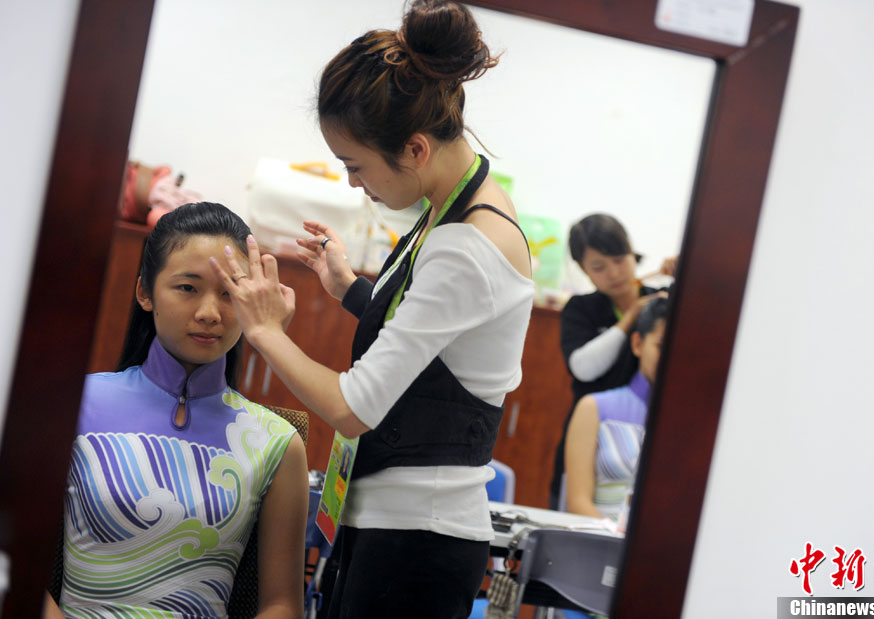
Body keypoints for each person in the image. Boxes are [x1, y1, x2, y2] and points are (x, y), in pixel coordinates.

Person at [208, 2, 534, 617]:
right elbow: (437, 342)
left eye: (355, 166)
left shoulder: (466, 242)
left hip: (417, 539)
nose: (355, 184)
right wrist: (351, 290)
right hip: (400, 527)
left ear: (414, 148)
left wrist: (265, 331)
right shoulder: (456, 208)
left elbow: (353, 408)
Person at [44, 202, 309, 618]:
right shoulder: (71, 404)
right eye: (188, 288)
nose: (209, 313)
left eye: (229, 293)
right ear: (145, 293)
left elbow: (282, 605)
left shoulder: (277, 443)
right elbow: (12, 556)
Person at [548, 213, 670, 508]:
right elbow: (582, 368)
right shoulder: (581, 309)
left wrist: (691, 271)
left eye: (619, 259)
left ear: (631, 251)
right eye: (599, 267)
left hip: (646, 439)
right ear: (583, 269)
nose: (614, 273)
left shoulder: (662, 302)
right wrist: (630, 318)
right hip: (589, 439)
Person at [563, 297, 668, 521]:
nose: (671, 356)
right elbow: (578, 502)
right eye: (661, 346)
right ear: (638, 344)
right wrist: (617, 537)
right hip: (600, 537)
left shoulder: (696, 422)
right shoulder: (594, 408)